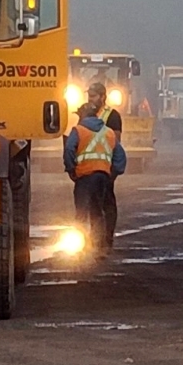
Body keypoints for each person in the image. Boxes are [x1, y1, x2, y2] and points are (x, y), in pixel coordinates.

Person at [63, 100, 126, 253]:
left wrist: (71, 169)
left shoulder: (78, 130)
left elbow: (69, 150)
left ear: (83, 116)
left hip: (84, 176)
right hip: (103, 177)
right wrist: (113, 173)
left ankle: (81, 247)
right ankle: (100, 246)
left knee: (81, 212)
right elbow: (121, 156)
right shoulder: (108, 132)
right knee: (97, 211)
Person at [86, 80, 123, 248]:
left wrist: (114, 167)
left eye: (93, 96)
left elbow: (116, 142)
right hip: (89, 166)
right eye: (89, 95)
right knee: (93, 203)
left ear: (102, 97)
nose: (90, 99)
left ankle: (107, 238)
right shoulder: (85, 114)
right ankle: (95, 237)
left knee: (107, 201)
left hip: (106, 166)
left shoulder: (112, 116)